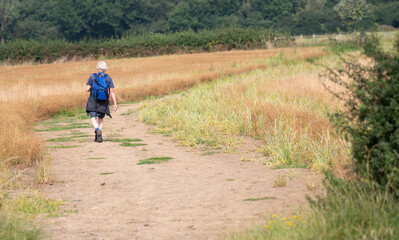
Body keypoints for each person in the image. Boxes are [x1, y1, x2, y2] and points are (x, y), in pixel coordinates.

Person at [85, 61, 117, 142]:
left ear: (98, 68)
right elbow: (112, 91)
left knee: (93, 119)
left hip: (93, 100)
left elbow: (87, 89)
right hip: (103, 101)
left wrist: (91, 88)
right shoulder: (108, 78)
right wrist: (115, 103)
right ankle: (99, 133)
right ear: (105, 69)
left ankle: (96, 129)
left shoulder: (93, 76)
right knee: (100, 119)